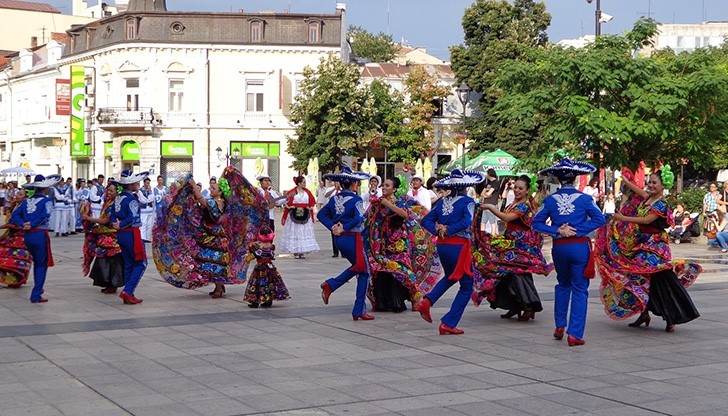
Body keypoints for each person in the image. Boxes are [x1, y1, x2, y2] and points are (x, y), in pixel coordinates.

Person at [596, 166, 701, 332]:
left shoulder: (661, 205)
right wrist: (624, 180)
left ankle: (671, 317)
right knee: (639, 279)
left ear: (662, 186)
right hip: (642, 245)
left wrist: (622, 218)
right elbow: (637, 189)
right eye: (649, 182)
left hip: (655, 249)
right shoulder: (648, 198)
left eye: (654, 183)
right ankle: (644, 313)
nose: (650, 185)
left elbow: (646, 220)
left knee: (661, 282)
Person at [153, 167, 268, 297]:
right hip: (215, 233)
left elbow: (202, 200)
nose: (211, 190)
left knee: (214, 259)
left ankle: (219, 287)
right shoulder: (223, 202)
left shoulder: (214, 202)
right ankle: (219, 286)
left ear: (220, 192)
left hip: (215, 236)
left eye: (214, 189)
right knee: (214, 260)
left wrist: (192, 185)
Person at [532, 158, 606, 347]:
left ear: (558, 179)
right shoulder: (585, 198)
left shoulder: (549, 201)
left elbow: (536, 223)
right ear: (575, 179)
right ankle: (575, 334)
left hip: (560, 247)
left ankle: (559, 326)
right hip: (579, 246)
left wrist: (558, 230)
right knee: (580, 289)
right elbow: (599, 219)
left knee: (562, 284)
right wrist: (579, 229)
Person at [472, 175, 553, 321]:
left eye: (520, 188)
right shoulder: (515, 203)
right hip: (512, 244)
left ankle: (529, 306)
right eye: (515, 187)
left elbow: (507, 218)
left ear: (527, 191)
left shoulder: (523, 206)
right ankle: (516, 305)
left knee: (518, 274)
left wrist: (490, 207)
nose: (517, 190)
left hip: (521, 247)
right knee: (507, 274)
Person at [415, 169, 485, 335]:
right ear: (465, 186)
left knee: (451, 276)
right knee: (467, 286)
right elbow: (466, 222)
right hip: (459, 246)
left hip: (443, 245)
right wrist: (448, 230)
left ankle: (427, 300)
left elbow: (426, 220)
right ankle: (449, 322)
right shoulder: (467, 202)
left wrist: (439, 231)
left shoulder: (442, 202)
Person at [363, 176, 441, 312]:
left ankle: (410, 299)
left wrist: (389, 205)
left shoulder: (400, 202)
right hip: (379, 244)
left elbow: (404, 215)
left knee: (403, 271)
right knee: (381, 272)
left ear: (394, 189)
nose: (384, 188)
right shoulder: (376, 203)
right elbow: (366, 219)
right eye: (384, 185)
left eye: (387, 186)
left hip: (397, 243)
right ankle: (383, 302)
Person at [318, 167, 374, 321]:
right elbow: (358, 218)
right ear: (353, 184)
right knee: (363, 270)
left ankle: (358, 309)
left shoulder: (334, 199)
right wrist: (344, 227)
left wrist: (333, 226)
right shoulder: (356, 199)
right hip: (353, 237)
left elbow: (321, 214)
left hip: (340, 239)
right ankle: (332, 285)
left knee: (362, 271)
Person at [8, 174, 62, 303]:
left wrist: (23, 224)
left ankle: (38, 289)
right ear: (44, 188)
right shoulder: (46, 201)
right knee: (41, 264)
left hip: (28, 235)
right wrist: (32, 224)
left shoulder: (26, 201)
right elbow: (45, 215)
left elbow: (15, 214)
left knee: (37, 262)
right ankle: (36, 293)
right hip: (39, 234)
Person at [110, 170, 149, 305]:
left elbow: (112, 214)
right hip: (131, 233)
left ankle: (129, 293)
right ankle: (128, 290)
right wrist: (122, 224)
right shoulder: (132, 199)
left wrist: (116, 224)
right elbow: (132, 218)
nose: (137, 184)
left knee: (128, 263)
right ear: (131, 184)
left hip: (121, 234)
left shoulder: (118, 197)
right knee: (141, 263)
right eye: (135, 182)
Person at [81, 182, 124, 293]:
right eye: (108, 190)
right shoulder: (108, 202)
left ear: (117, 192)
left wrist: (89, 218)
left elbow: (105, 220)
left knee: (111, 261)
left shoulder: (115, 204)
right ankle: (108, 283)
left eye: (111, 190)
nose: (108, 192)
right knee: (104, 260)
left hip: (112, 237)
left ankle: (112, 284)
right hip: (104, 236)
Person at [243, 226, 290, 308]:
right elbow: (272, 256)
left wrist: (246, 258)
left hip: (260, 268)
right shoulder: (271, 247)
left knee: (256, 283)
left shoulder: (256, 247)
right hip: (270, 267)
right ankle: (268, 300)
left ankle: (255, 300)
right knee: (270, 283)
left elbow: (250, 257)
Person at [0, 188, 33, 288]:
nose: (17, 195)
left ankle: (17, 278)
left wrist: (8, 226)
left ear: (26, 197)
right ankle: (8, 278)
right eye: (18, 193)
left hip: (20, 237)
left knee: (18, 258)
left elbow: (22, 223)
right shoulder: (15, 205)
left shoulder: (26, 208)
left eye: (20, 194)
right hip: (10, 235)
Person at [281, 176, 319, 259]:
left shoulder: (307, 192)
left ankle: (302, 251)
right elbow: (286, 201)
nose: (305, 184)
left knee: (303, 231)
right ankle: (295, 251)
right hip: (294, 214)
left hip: (305, 213)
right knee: (296, 231)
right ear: (299, 183)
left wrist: (310, 207)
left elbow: (312, 201)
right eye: (303, 182)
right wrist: (290, 207)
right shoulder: (293, 192)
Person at [324, 180, 342, 257]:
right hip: (333, 213)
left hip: (341, 212)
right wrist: (335, 189)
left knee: (342, 230)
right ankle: (335, 252)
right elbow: (326, 195)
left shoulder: (343, 190)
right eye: (335, 182)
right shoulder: (330, 189)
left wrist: (340, 189)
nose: (336, 183)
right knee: (333, 231)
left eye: (337, 182)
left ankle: (343, 251)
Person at [480, 169, 500, 235]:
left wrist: (486, 194)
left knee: (492, 222)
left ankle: (492, 235)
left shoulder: (496, 182)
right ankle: (482, 236)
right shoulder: (488, 183)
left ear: (489, 174)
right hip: (485, 204)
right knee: (483, 221)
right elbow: (482, 193)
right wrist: (485, 195)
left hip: (492, 203)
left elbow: (488, 193)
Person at [137, 177, 155, 243]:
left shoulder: (150, 190)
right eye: (147, 183)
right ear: (144, 183)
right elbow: (144, 200)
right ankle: (143, 238)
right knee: (143, 224)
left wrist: (150, 191)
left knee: (149, 224)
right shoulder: (140, 190)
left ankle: (147, 238)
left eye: (149, 183)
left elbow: (152, 199)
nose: (148, 184)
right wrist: (149, 200)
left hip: (149, 209)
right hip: (143, 209)